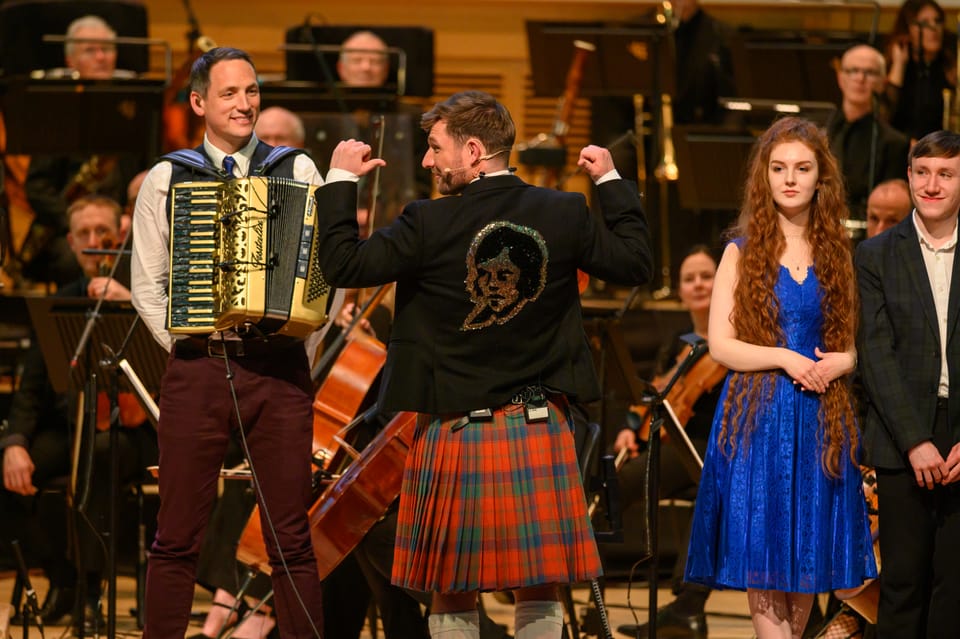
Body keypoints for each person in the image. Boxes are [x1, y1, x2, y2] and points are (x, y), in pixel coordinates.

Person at [314, 89, 652, 639]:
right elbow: (636, 263)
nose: (428, 161)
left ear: (472, 151)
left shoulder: (426, 221)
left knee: (451, 585)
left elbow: (342, 265)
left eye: (435, 147)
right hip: (536, 427)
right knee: (538, 584)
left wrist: (340, 179)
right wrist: (611, 181)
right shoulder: (564, 211)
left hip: (453, 429)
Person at [130, 47, 359, 639]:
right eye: (229, 92)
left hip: (278, 368)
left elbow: (327, 274)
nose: (244, 103)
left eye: (251, 90)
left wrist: (301, 345)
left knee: (290, 537)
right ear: (198, 102)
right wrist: (190, 344)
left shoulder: (296, 169)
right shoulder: (168, 176)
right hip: (198, 368)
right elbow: (148, 287)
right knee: (176, 535)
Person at [684, 117, 876, 638]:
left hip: (819, 417)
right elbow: (721, 345)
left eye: (802, 168)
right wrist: (786, 358)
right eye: (779, 168)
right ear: (764, 177)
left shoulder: (837, 253)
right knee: (764, 555)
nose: (790, 178)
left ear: (820, 178)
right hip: (758, 416)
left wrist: (845, 362)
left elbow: (849, 344)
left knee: (806, 557)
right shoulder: (741, 251)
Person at [0, 194, 157, 634]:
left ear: (120, 237)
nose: (93, 240)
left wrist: (131, 301)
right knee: (17, 468)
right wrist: (14, 443)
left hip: (133, 431)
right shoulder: (61, 302)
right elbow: (31, 388)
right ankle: (60, 577)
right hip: (74, 426)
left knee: (98, 457)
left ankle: (90, 590)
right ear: (70, 242)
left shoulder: (146, 292)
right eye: (83, 233)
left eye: (102, 232)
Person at [855, 129, 960, 637]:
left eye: (945, 174)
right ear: (910, 176)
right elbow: (876, 354)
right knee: (901, 584)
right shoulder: (875, 254)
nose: (932, 185)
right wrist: (915, 440)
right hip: (901, 438)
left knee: (954, 588)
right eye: (923, 173)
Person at [613, 245, 721, 639]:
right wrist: (630, 427)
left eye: (706, 275)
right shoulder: (680, 340)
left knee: (707, 489)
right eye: (690, 278)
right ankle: (575, 574)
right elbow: (651, 391)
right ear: (679, 290)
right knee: (614, 479)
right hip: (677, 443)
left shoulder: (734, 335)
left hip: (712, 447)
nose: (699, 284)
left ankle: (686, 606)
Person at [23, 15, 144, 286]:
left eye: (107, 49)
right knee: (71, 259)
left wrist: (131, 215)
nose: (101, 57)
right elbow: (37, 188)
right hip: (70, 226)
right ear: (71, 61)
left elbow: (149, 174)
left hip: (123, 224)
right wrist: (73, 221)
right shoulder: (55, 115)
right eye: (90, 50)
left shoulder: (137, 110)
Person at [825, 44, 910, 229]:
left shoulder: (894, 143)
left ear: (883, 82)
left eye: (870, 72)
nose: (860, 78)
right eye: (853, 70)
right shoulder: (820, 130)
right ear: (840, 78)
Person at [885, 0, 957, 142]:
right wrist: (899, 65)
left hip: (941, 147)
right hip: (900, 147)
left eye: (937, 21)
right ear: (908, 29)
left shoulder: (949, 65)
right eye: (924, 22)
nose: (934, 28)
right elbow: (884, 117)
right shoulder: (900, 64)